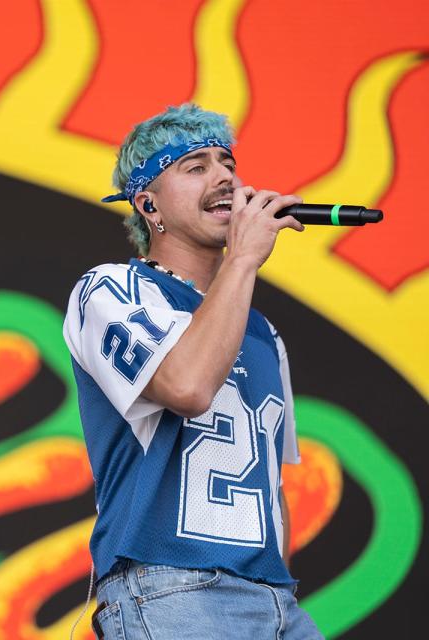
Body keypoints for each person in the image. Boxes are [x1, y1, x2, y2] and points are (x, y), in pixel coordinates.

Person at [62, 103, 324, 639]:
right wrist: (243, 260)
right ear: (148, 203)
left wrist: (277, 592)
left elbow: (269, 484)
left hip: (274, 601)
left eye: (227, 163)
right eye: (196, 166)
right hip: (172, 588)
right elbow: (187, 387)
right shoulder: (112, 290)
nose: (225, 175)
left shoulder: (261, 332)